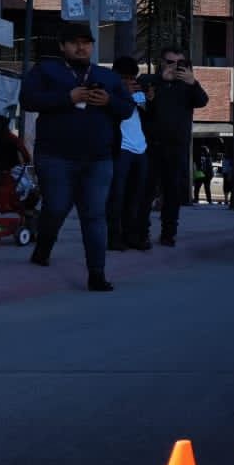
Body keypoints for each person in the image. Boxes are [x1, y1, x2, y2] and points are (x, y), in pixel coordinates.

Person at [21, 26, 134, 291]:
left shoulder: (107, 76)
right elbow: (27, 100)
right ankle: (43, 248)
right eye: (74, 43)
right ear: (62, 46)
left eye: (86, 43)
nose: (81, 48)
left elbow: (127, 108)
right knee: (56, 207)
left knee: (94, 214)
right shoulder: (46, 70)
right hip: (55, 155)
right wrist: (67, 97)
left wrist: (108, 101)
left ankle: (97, 273)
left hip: (98, 158)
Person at [146, 47, 209, 246]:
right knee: (145, 191)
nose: (174, 67)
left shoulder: (187, 85)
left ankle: (168, 233)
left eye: (179, 63)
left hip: (177, 147)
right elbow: (144, 103)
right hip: (150, 146)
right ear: (162, 62)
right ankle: (140, 232)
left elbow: (202, 101)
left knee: (172, 192)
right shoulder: (151, 81)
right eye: (170, 62)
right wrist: (162, 81)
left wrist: (192, 82)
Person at [106, 57, 151, 252]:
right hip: (120, 148)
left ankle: (131, 236)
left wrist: (147, 99)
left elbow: (148, 116)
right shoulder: (110, 92)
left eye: (133, 77)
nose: (129, 81)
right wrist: (124, 94)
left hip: (140, 147)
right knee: (117, 195)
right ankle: (114, 237)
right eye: (125, 77)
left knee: (136, 195)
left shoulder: (136, 91)